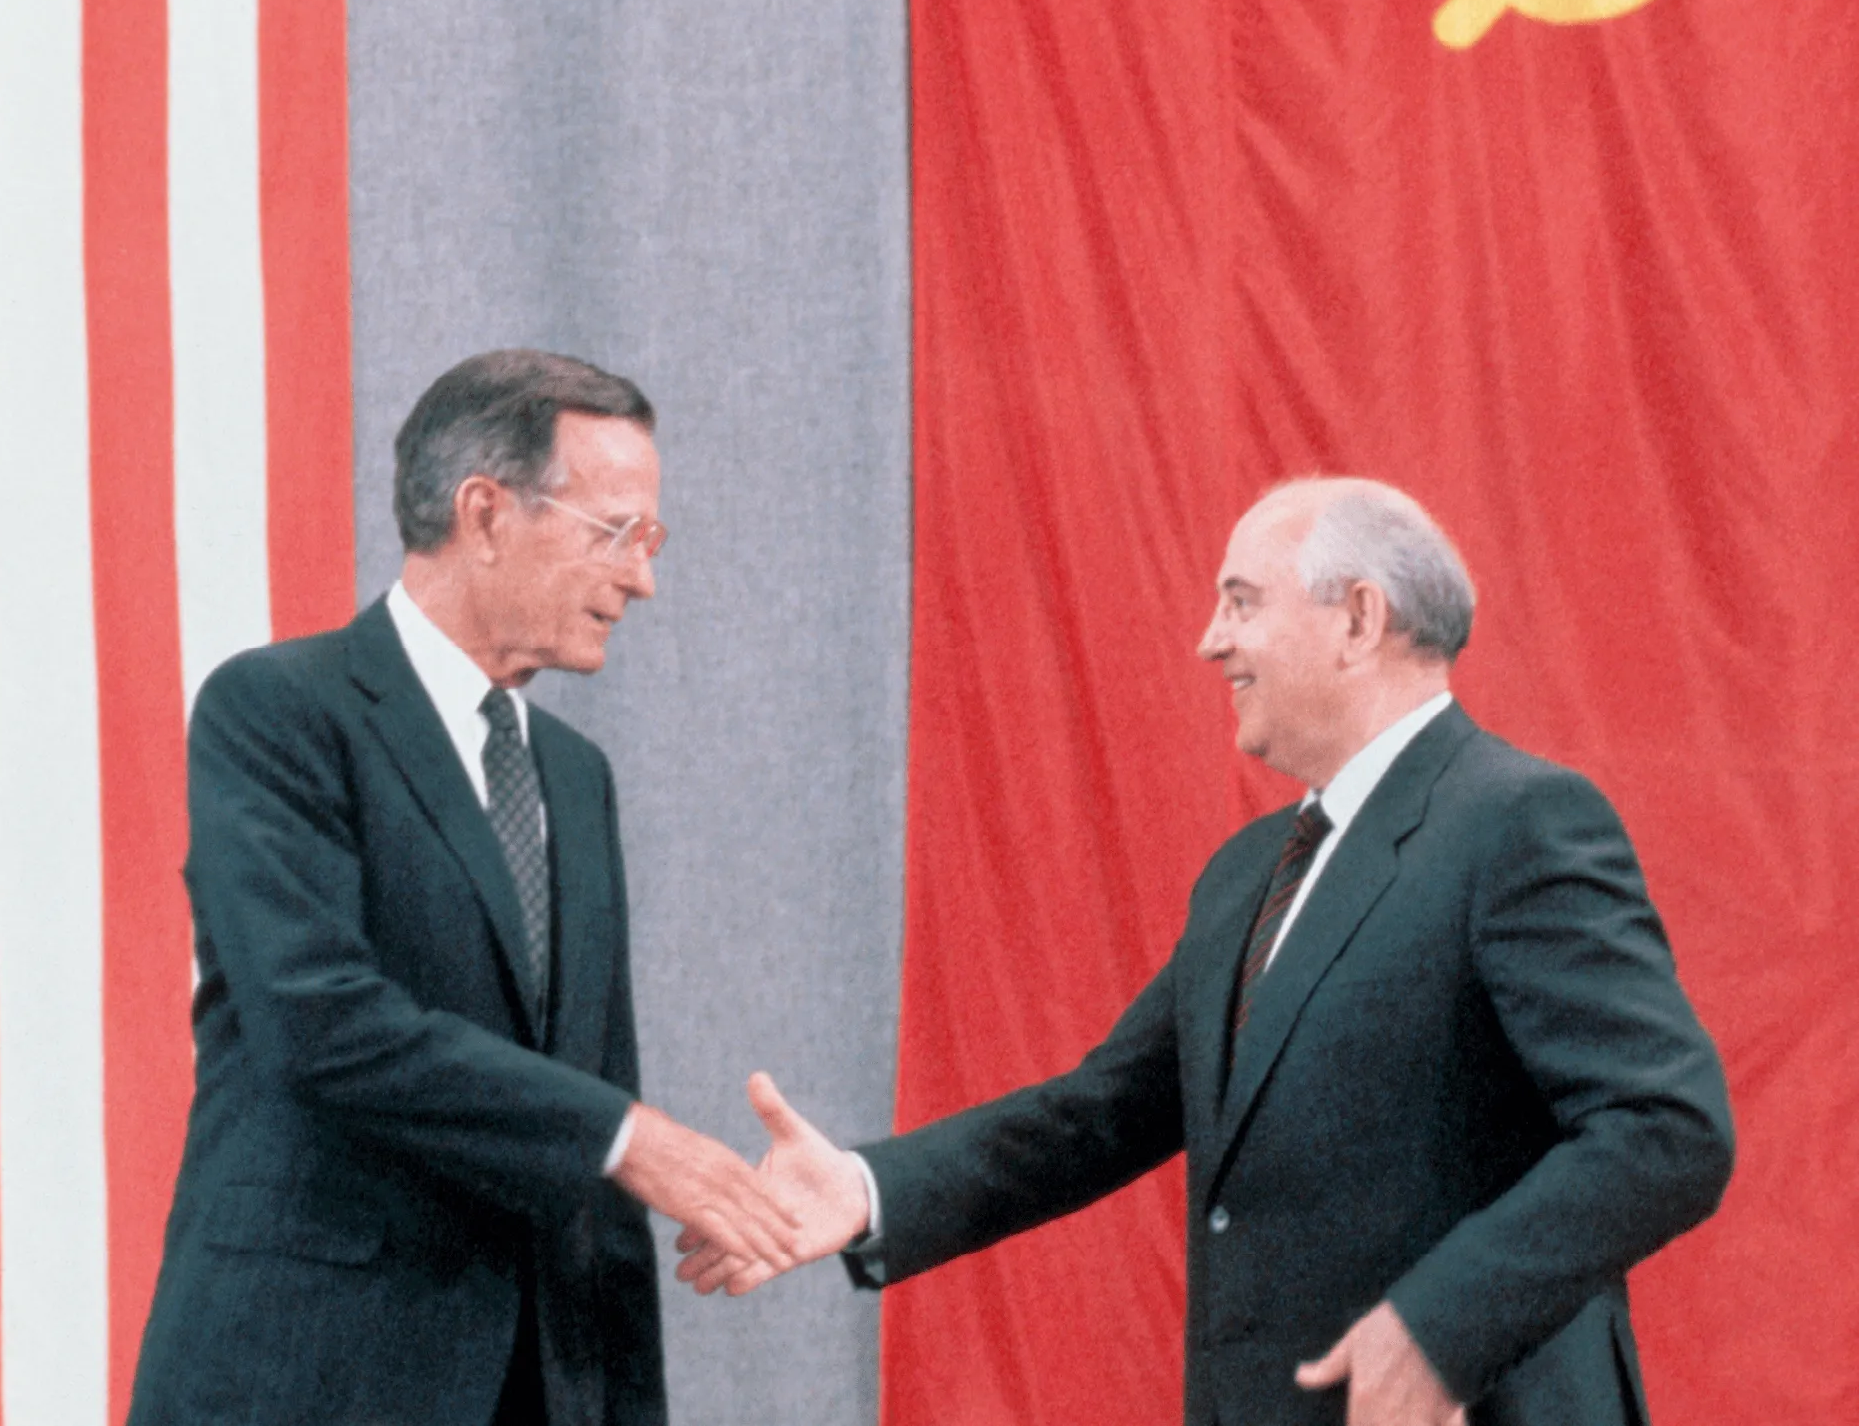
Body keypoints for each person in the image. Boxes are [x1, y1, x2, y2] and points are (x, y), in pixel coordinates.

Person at [684, 478, 1734, 1426]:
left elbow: (1667, 1126)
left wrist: (1440, 1326)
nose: (1208, 640)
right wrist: (869, 1189)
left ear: (1358, 617)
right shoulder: (1249, 872)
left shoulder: (1521, 819)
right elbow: (1103, 1111)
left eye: (1242, 600)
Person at [128, 350, 795, 1426]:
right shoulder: (279, 711)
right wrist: (633, 1135)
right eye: (617, 532)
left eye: (651, 539)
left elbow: (596, 1111)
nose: (642, 579)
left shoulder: (577, 779)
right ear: (483, 511)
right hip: (308, 1374)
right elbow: (323, 1021)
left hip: (539, 1382)